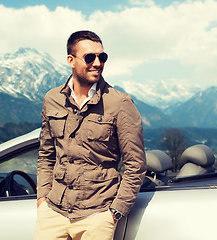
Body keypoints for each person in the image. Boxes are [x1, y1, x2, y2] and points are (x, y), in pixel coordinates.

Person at [34, 30, 146, 240]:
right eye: (89, 57)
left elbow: (135, 165)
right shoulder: (52, 99)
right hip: (53, 212)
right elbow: (46, 155)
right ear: (71, 60)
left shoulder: (120, 103)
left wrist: (114, 212)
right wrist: (42, 199)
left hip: (97, 215)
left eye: (102, 57)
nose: (97, 63)